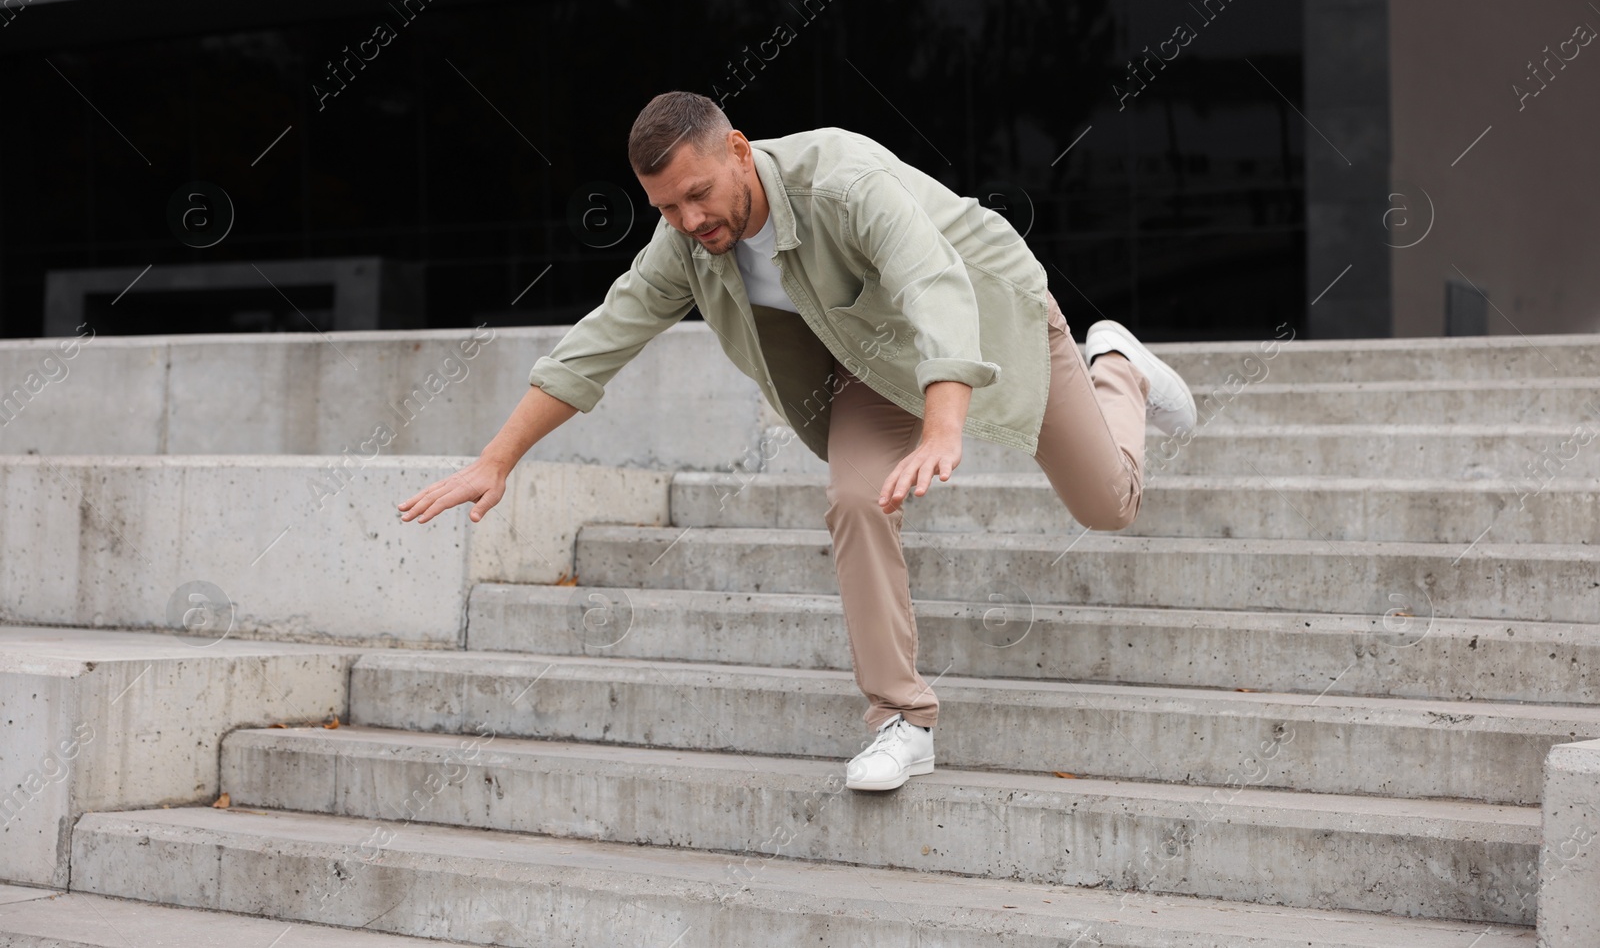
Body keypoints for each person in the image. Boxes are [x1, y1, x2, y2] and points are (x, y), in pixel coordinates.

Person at [398, 90, 1197, 792]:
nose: (689, 221)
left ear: (739, 150)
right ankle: (902, 719)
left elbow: (933, 282)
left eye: (698, 195)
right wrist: (497, 458)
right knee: (855, 497)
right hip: (869, 368)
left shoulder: (843, 181)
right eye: (667, 208)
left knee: (1108, 504)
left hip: (993, 314)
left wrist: (945, 422)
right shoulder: (684, 242)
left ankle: (1118, 364)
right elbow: (603, 336)